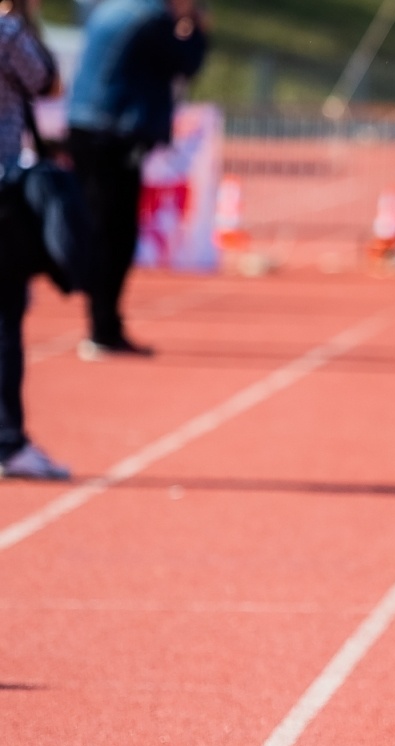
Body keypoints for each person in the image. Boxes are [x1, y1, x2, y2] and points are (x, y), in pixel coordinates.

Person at [67, 0, 206, 360]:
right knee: (115, 233)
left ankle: (104, 325)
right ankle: (102, 327)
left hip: (88, 124)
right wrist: (197, 28)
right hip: (113, 132)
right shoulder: (152, 19)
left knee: (105, 229)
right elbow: (185, 63)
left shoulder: (115, 8)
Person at [0, 0, 68, 479]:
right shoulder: (7, 32)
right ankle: (7, 442)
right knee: (4, 317)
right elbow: (49, 82)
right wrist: (22, 17)